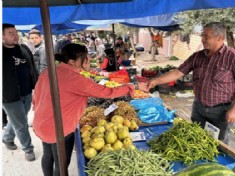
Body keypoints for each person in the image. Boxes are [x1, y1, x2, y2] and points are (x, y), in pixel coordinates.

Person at [32, 43, 148, 176]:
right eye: (85, 58)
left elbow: (36, 95)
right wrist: (131, 87)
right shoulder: (76, 79)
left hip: (41, 122)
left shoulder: (48, 71)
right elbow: (107, 91)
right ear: (72, 61)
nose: (88, 61)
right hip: (60, 128)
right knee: (61, 163)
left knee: (48, 156)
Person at [148, 22, 235, 144]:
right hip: (199, 109)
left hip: (220, 112)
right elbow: (178, 72)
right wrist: (156, 80)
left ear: (220, 38)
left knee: (218, 146)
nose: (203, 39)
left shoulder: (234, 57)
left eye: (207, 36)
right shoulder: (198, 56)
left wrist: (234, 110)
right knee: (196, 141)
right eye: (202, 35)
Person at [2, 23, 38, 161]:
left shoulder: (23, 49)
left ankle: (7, 138)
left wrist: (36, 84)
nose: (16, 36)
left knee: (18, 119)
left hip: (27, 92)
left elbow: (32, 67)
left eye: (16, 32)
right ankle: (28, 149)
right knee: (21, 123)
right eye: (11, 34)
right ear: (2, 37)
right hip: (9, 96)